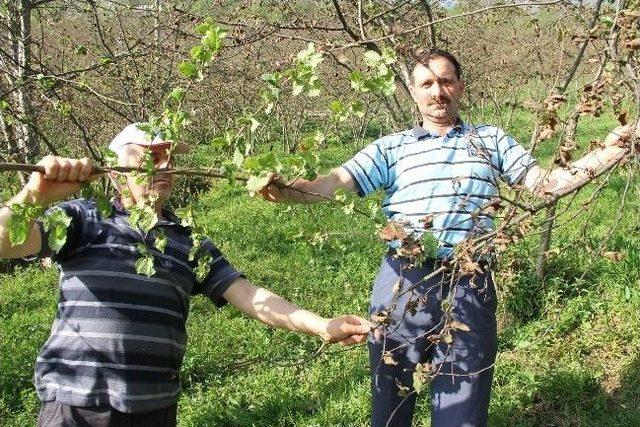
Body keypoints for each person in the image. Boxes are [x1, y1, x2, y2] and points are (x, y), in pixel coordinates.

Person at [258, 48, 635, 427]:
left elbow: (548, 185)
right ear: (413, 93)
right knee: (388, 405)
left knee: (462, 412)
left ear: (460, 87)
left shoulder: (490, 140)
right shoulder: (392, 147)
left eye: (445, 80)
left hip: (470, 284)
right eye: (427, 83)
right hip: (402, 284)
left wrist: (609, 151)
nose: (437, 91)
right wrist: (288, 189)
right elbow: (336, 182)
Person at [0, 123, 372, 427]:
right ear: (114, 170)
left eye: (168, 159)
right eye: (149, 157)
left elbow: (249, 295)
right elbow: (5, 241)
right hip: (77, 406)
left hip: (155, 410)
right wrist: (35, 196)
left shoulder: (188, 242)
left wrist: (322, 325)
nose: (162, 167)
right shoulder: (83, 219)